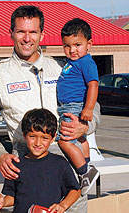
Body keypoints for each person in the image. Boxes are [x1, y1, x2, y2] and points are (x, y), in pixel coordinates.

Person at [0, 5, 100, 213]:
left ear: (42, 35)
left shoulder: (63, 68)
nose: (27, 38)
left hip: (69, 172)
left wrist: (86, 126)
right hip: (27, 171)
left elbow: (93, 105)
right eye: (21, 31)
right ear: (11, 33)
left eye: (33, 32)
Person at [0, 108, 81, 213]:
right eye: (32, 136)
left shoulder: (59, 164)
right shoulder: (15, 165)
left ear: (53, 138)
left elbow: (75, 190)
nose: (38, 143)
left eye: (44, 138)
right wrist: (2, 202)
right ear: (24, 135)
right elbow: (13, 197)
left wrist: (63, 206)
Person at [56, 18, 99, 196]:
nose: (72, 50)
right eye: (67, 46)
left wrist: (88, 108)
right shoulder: (71, 62)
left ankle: (84, 172)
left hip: (74, 106)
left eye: (77, 44)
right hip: (68, 106)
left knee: (64, 140)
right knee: (80, 140)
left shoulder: (86, 62)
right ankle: (87, 165)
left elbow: (93, 85)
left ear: (89, 44)